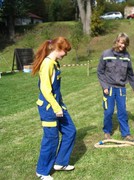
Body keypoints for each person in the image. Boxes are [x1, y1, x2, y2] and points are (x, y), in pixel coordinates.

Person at [32, 37, 76, 180]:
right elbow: (45, 89)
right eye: (65, 51)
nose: (65, 54)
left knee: (70, 131)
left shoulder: (55, 63)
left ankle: (60, 163)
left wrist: (61, 104)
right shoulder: (47, 64)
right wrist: (56, 107)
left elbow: (55, 88)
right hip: (49, 108)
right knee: (51, 139)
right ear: (57, 49)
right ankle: (42, 171)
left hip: (57, 105)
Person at [97, 32, 134, 142]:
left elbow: (130, 72)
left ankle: (126, 134)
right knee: (109, 111)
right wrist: (104, 86)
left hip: (121, 88)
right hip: (109, 88)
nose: (123, 46)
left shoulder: (126, 56)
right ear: (116, 41)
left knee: (122, 112)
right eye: (121, 43)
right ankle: (107, 132)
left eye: (125, 44)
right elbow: (100, 72)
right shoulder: (106, 54)